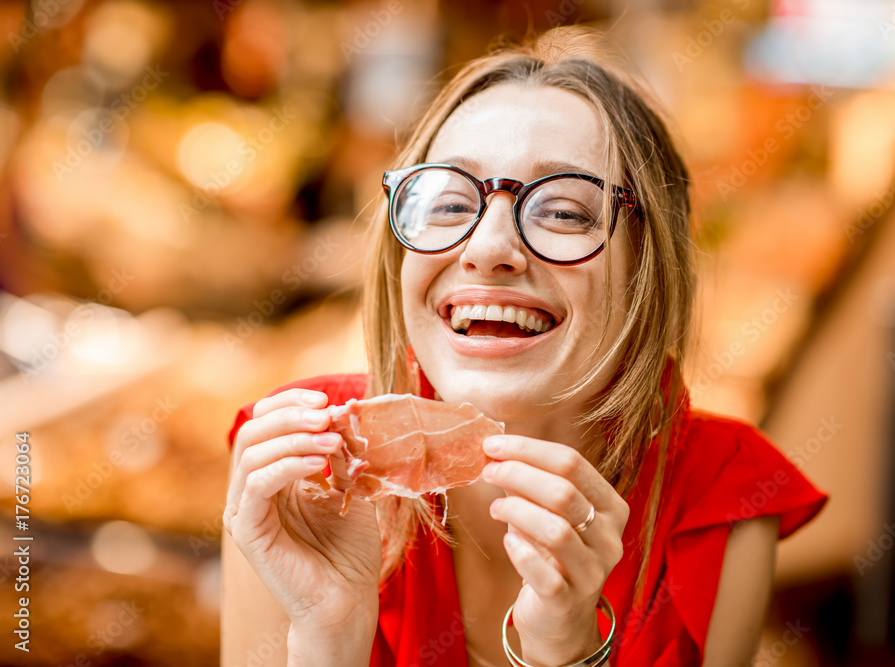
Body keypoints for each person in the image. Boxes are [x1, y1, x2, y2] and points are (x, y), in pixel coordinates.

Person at [222, 26, 828, 667]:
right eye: (450, 202)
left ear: (648, 264)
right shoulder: (299, 464)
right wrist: (327, 637)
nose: (486, 248)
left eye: (564, 211)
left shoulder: (723, 496)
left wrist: (565, 651)